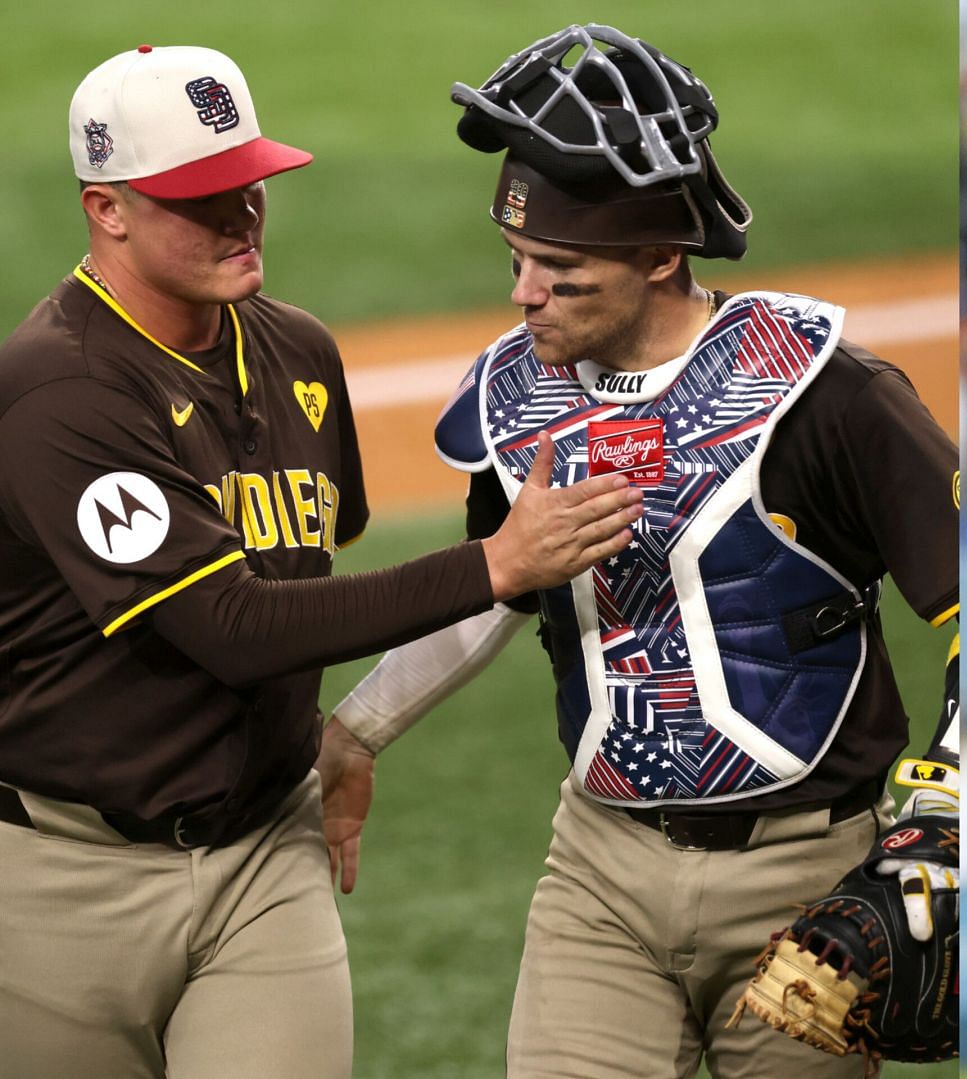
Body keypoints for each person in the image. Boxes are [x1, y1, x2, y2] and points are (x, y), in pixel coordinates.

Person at [314, 26, 960, 1078]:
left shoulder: (830, 396)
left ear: (663, 255)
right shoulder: (517, 400)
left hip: (808, 878)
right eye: (518, 258)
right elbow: (497, 583)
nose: (524, 293)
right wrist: (356, 732)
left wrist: (946, 806)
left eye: (560, 269)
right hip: (600, 870)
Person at [0, 45, 644, 1079]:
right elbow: (233, 629)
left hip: (267, 852)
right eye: (197, 197)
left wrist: (344, 733)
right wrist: (496, 561)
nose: (240, 215)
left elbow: (303, 576)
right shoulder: (58, 392)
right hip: (63, 879)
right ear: (106, 209)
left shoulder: (299, 351)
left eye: (247, 184)